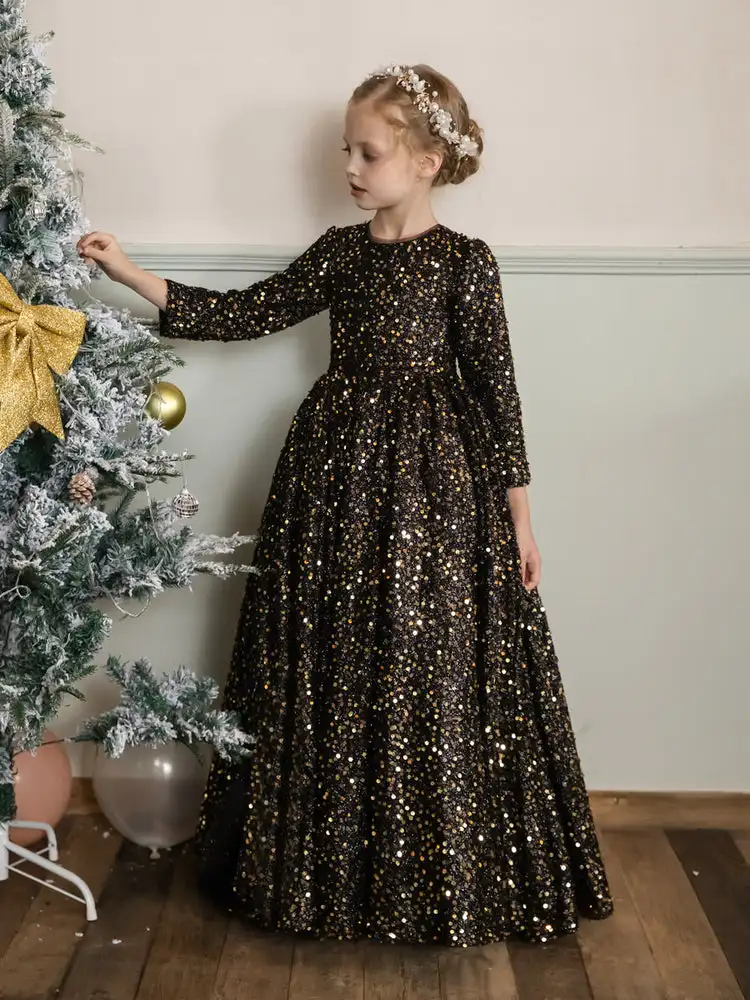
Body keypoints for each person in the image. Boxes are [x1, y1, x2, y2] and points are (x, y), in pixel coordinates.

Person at [77, 62, 613, 947]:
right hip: (332, 482)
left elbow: (497, 393)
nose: (352, 168)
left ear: (429, 160)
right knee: (331, 657)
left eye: (369, 153)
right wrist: (134, 273)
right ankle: (328, 877)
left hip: (441, 493)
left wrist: (521, 519)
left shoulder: (465, 265)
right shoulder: (340, 252)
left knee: (422, 658)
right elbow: (249, 312)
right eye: (346, 152)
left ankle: (430, 875)